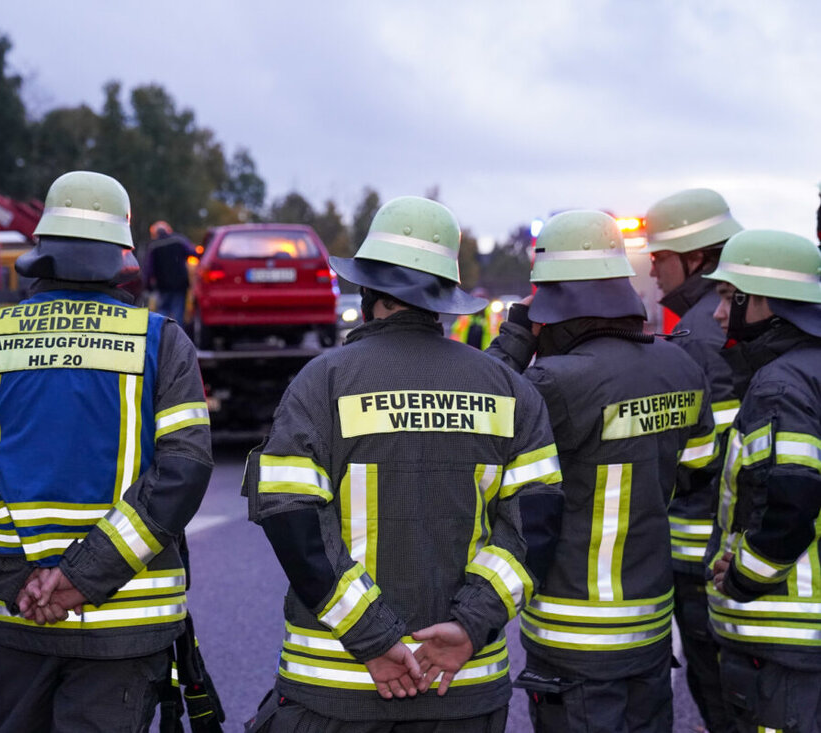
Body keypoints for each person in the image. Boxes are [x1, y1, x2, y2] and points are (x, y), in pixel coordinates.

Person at [0, 171, 215, 733]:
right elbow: (184, 470)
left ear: (40, 248)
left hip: (19, 618)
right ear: (123, 253)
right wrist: (85, 576)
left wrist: (12, 580)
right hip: (126, 623)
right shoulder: (161, 342)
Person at [243, 196, 565, 732]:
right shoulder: (509, 390)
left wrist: (373, 636)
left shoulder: (322, 381)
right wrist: (469, 624)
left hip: (337, 684)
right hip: (461, 685)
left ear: (367, 290)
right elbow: (534, 528)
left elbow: (290, 515)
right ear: (442, 298)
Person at [486, 210, 718, 733]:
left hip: (573, 636)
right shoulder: (681, 367)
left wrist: (516, 338)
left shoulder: (554, 381)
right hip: (651, 624)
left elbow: (472, 434)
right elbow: (698, 471)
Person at [702, 229, 821, 732]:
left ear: (763, 301)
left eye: (729, 296)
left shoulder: (780, 385)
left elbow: (792, 502)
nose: (717, 313)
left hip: (784, 635)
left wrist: (744, 574)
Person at [644, 187, 743, 732]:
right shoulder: (721, 319)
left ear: (697, 257)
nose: (653, 270)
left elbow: (700, 456)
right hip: (725, 544)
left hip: (702, 548)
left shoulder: (699, 335)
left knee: (721, 696)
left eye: (660, 257)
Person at [143, 220, 198, 327]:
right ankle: (177, 338)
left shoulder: (154, 246)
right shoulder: (178, 240)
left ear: (154, 233)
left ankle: (161, 335)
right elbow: (193, 252)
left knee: (162, 311)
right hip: (180, 284)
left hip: (163, 285)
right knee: (178, 313)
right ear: (168, 230)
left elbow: (148, 269)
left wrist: (148, 285)